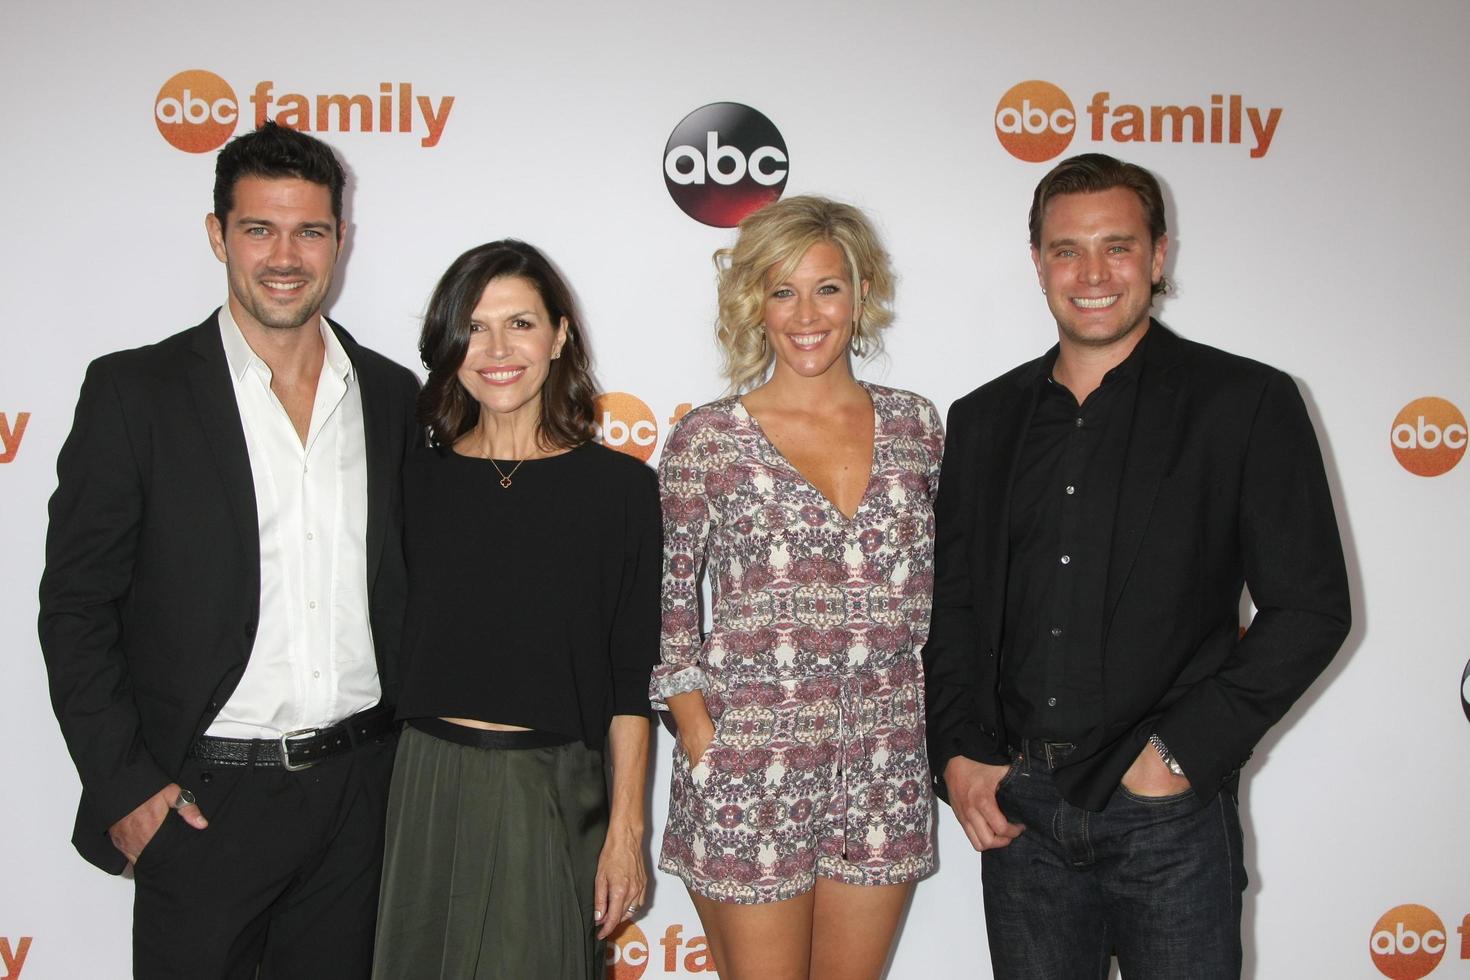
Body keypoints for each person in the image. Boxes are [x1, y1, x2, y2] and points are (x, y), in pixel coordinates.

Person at [923, 152, 1352, 979]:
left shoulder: (1245, 402)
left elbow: (1308, 609)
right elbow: (959, 608)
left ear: (1159, 257)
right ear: (1038, 263)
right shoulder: (982, 419)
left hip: (1169, 818)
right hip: (1022, 817)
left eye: (1117, 247)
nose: (1092, 273)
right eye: (1066, 250)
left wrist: (1179, 757)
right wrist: (958, 755)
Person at [37, 121, 420, 979]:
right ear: (218, 235)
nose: (285, 255)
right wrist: (127, 787)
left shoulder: (393, 398)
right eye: (259, 229)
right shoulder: (134, 393)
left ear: (340, 240)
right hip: (205, 799)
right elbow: (75, 608)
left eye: (310, 231)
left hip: (362, 795)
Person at [652, 196, 941, 980]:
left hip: (885, 762)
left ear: (861, 291)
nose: (806, 313)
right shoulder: (708, 439)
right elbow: (669, 611)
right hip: (753, 761)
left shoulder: (918, 428)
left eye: (827, 288)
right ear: (754, 304)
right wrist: (704, 738)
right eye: (782, 291)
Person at [371, 240, 660, 980]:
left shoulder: (620, 491)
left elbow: (632, 678)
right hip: (423, 787)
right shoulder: (411, 477)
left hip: (552, 792)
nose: (496, 349)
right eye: (474, 326)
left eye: (521, 324)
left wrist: (626, 831)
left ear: (560, 335)